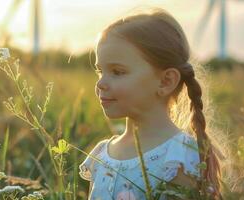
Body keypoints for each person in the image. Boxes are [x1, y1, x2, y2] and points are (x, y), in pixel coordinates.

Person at [78, 7, 223, 200]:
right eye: (99, 71)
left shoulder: (179, 157)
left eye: (117, 72)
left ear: (166, 81)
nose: (100, 83)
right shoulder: (102, 155)